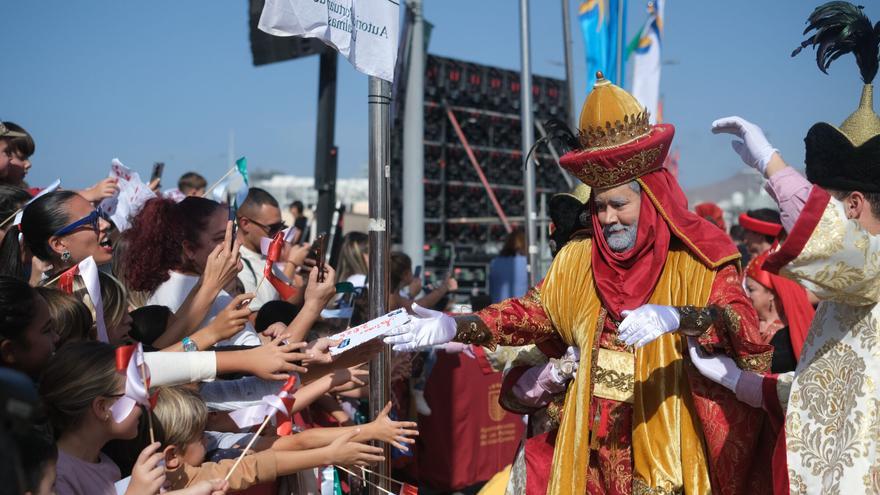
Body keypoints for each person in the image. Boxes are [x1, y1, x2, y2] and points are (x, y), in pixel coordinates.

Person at [386, 73, 774, 494]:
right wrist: (455, 325)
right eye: (600, 206)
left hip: (664, 446)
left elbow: (739, 323)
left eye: (619, 205)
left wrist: (679, 317)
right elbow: (530, 312)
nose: (607, 219)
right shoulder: (578, 259)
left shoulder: (700, 258)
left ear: (651, 197)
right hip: (589, 452)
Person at [708, 2, 880, 491]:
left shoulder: (870, 266)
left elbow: (836, 245)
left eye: (827, 200)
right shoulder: (852, 287)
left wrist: (773, 165)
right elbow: (827, 393)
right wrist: (742, 383)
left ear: (852, 205)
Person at [0, 190, 114, 281]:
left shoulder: (115, 273)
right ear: (59, 244)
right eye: (92, 221)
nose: (106, 224)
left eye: (99, 214)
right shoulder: (52, 301)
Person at [236, 188, 308, 311]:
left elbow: (288, 297)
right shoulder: (237, 263)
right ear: (245, 224)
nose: (279, 234)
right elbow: (255, 318)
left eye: (281, 226)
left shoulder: (263, 254)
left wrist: (311, 281)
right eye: (273, 228)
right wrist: (292, 263)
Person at [488, 228, 528, 303]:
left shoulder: (495, 262)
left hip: (499, 307)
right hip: (521, 307)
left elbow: (491, 290)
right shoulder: (527, 263)